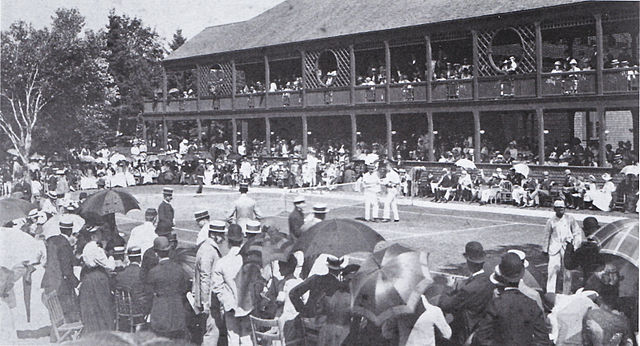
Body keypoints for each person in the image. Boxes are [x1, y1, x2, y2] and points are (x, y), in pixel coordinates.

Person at [475, 253, 550, 345]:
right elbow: (543, 340)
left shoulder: (495, 304)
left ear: (501, 274)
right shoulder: (531, 304)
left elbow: (482, 336)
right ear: (522, 275)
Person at [438, 241, 494, 345]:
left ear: (468, 262)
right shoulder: (489, 280)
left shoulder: (468, 289)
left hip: (465, 333)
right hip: (480, 328)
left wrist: (448, 287)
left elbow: (445, 305)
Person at [211, 224, 251, 345]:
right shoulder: (249, 260)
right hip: (248, 306)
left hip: (230, 307)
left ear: (228, 240)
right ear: (242, 239)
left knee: (232, 339)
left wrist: (227, 302)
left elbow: (217, 287)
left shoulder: (222, 263)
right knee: (247, 339)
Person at [146, 236, 190, 340]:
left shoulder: (153, 272)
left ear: (156, 253)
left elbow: (148, 294)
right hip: (177, 312)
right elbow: (184, 288)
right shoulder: (179, 269)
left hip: (160, 313)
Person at [194, 220, 227, 346]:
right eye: (221, 235)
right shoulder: (208, 250)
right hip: (209, 301)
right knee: (211, 334)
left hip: (209, 300)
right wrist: (205, 303)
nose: (223, 238)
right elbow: (205, 277)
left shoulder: (207, 247)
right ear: (214, 235)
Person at [41, 221, 80, 324]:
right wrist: (76, 283)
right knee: (67, 309)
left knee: (55, 312)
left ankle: (56, 333)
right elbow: (66, 268)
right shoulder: (64, 244)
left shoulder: (52, 240)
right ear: (70, 230)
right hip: (60, 282)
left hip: (49, 279)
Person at [79, 226, 116, 334]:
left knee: (94, 306)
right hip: (98, 277)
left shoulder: (87, 247)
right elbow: (109, 266)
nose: (101, 235)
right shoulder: (96, 249)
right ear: (93, 236)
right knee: (103, 305)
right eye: (99, 233)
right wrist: (111, 256)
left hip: (89, 277)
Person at [545, 199, 583, 294]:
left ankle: (566, 292)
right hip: (554, 248)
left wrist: (576, 245)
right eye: (558, 208)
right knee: (552, 270)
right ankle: (550, 292)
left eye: (562, 208)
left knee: (567, 271)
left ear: (565, 208)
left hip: (567, 248)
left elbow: (577, 232)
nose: (560, 210)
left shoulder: (570, 219)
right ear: (554, 209)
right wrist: (545, 249)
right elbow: (547, 236)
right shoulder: (551, 221)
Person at [114, 246, 151, 330]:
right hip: (138, 309)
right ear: (140, 258)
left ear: (129, 258)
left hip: (123, 309)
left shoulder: (121, 274)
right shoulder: (143, 273)